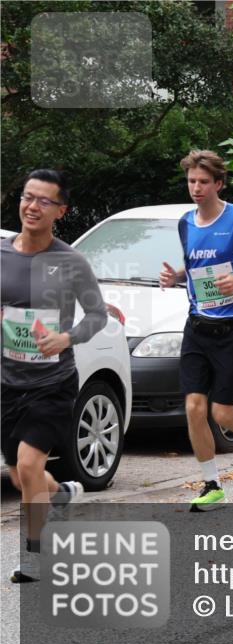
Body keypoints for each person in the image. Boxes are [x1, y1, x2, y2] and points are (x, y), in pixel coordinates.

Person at [2, 170, 106, 582]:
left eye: (44, 201)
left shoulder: (70, 261)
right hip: (7, 382)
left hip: (52, 382)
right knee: (20, 473)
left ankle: (32, 556)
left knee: (28, 466)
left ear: (60, 210)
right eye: (29, 197)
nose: (33, 206)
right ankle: (62, 493)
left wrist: (67, 337)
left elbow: (98, 315)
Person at [159, 150, 233, 511]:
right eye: (192, 181)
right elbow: (194, 265)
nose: (196, 187)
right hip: (197, 326)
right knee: (194, 407)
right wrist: (175, 276)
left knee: (222, 412)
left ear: (218, 184)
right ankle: (213, 485)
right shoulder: (185, 222)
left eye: (203, 182)